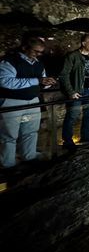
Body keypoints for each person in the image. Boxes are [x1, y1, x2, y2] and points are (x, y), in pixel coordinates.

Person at [0, 37, 56, 168]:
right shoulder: (9, 61)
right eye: (36, 51)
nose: (38, 55)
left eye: (41, 52)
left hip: (33, 102)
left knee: (30, 131)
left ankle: (28, 156)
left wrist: (47, 83)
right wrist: (37, 81)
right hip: (12, 102)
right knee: (9, 135)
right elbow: (6, 82)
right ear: (24, 48)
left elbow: (41, 80)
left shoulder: (38, 64)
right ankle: (7, 163)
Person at [59, 34, 89, 150]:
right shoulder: (72, 56)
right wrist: (71, 91)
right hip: (78, 91)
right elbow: (64, 75)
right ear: (84, 43)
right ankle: (67, 141)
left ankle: (86, 136)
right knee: (72, 116)